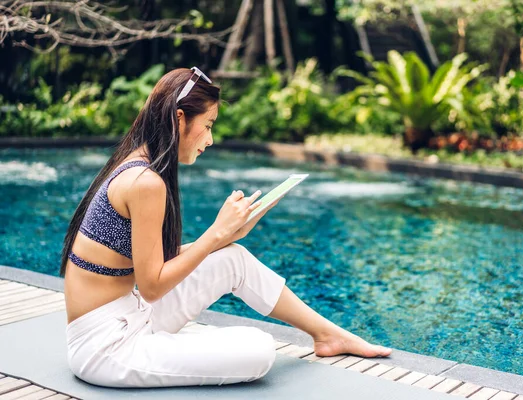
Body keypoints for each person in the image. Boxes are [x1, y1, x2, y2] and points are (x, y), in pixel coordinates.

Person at [60, 66, 392, 388]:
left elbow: (148, 264)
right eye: (208, 124)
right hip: (107, 347)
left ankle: (327, 335)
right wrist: (215, 233)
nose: (211, 138)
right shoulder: (144, 182)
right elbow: (152, 286)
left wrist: (227, 236)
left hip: (130, 316)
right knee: (259, 350)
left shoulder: (139, 166)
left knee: (233, 257)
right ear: (179, 117)